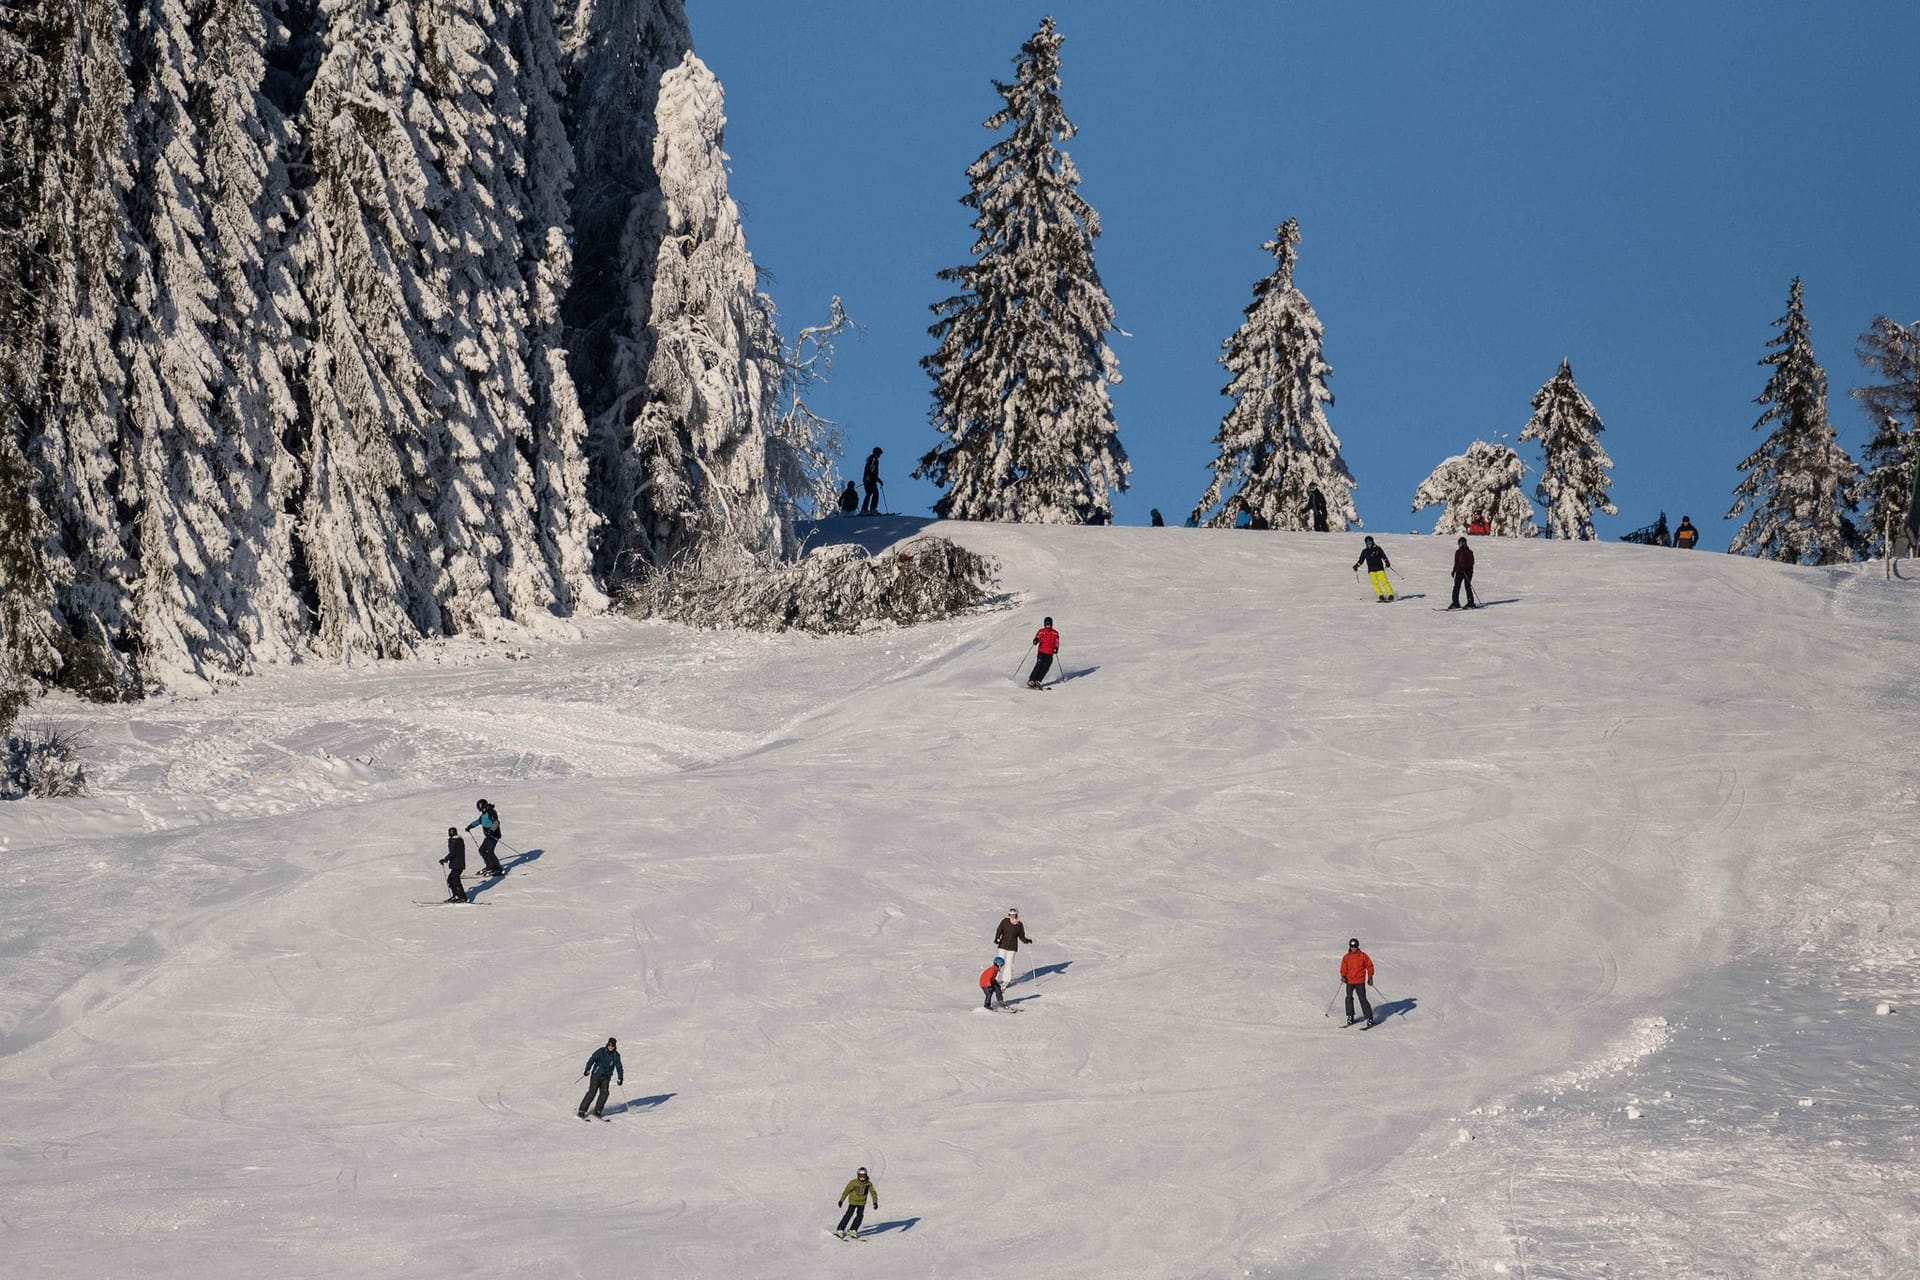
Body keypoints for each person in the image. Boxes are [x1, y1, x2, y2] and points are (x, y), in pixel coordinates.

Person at [578, 1037, 623, 1119]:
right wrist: (587, 1069)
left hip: (606, 1078)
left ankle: (597, 1111)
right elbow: (592, 1059)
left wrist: (620, 1078)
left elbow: (619, 1067)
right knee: (592, 1092)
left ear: (615, 1046)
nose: (610, 1047)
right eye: (609, 1045)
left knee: (605, 1093)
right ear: (607, 1044)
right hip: (596, 1075)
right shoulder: (601, 1051)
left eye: (612, 1046)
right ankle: (582, 1110)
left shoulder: (616, 1055)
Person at [835, 1167, 879, 1240]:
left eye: (863, 1176)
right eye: (860, 1176)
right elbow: (846, 1191)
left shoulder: (868, 1184)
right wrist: (841, 1200)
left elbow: (873, 1193)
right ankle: (840, 1229)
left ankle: (853, 1230)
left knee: (860, 1216)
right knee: (849, 1214)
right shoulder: (853, 1182)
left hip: (862, 1203)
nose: (862, 1178)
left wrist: (875, 1202)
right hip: (853, 1201)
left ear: (866, 1176)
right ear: (858, 1175)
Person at [1341, 938, 1375, 1028]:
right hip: (1349, 981)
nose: (1353, 948)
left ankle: (1370, 1018)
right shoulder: (1346, 957)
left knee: (1362, 998)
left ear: (1357, 946)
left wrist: (1370, 977)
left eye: (1355, 946)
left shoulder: (1363, 956)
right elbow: (1343, 968)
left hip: (1359, 981)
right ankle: (1350, 1016)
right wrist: (1343, 976)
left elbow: (1370, 966)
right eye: (1352, 946)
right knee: (1348, 998)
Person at [465, 799, 505, 876]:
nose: (482, 810)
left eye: (483, 808)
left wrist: (491, 830)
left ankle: (497, 868)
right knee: (482, 850)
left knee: (490, 852)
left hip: (494, 836)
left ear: (486, 806)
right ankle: (490, 866)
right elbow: (478, 821)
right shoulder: (483, 815)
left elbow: (496, 822)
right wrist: (470, 826)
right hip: (488, 836)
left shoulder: (491, 812)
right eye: (481, 810)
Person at [1352, 536, 1394, 602]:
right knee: (1375, 583)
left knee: (1384, 582)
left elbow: (1383, 556)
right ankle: (1381, 596)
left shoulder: (1378, 548)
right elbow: (1361, 560)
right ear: (1365, 543)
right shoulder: (1365, 551)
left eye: (1370, 542)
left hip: (1380, 569)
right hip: (1371, 571)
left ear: (1373, 542)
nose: (1369, 544)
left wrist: (1387, 562)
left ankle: (1390, 595)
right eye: (1367, 542)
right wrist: (1356, 566)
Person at [994, 908, 1032, 973]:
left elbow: (1021, 936)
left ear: (1016, 915)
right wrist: (997, 938)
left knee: (1009, 963)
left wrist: (1026, 940)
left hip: (1012, 946)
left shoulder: (1019, 924)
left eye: (1014, 915)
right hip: (1003, 944)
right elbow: (999, 930)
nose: (1012, 916)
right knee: (999, 962)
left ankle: (1006, 980)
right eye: (1011, 915)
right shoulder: (1005, 921)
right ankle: (995, 978)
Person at [1028, 616, 1060, 689]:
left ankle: (1038, 680)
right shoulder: (1041, 631)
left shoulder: (1055, 633)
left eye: (1049, 624)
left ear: (1051, 624)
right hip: (1042, 652)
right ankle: (1031, 680)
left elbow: (1057, 642)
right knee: (1039, 665)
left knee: (1045, 668)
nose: (1048, 625)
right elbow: (1038, 637)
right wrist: (1036, 640)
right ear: (1044, 624)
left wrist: (1056, 648)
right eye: (1047, 624)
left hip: (1050, 653)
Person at [439, 827, 469, 903]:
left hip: (457, 864)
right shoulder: (460, 840)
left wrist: (445, 859)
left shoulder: (453, 841)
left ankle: (462, 897)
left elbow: (452, 853)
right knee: (451, 879)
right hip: (460, 864)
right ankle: (456, 896)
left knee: (455, 880)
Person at [1448, 536, 1478, 610]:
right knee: (1456, 586)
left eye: (1461, 543)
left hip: (1467, 571)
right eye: (1459, 543)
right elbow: (1456, 563)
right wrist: (1454, 570)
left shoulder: (1469, 552)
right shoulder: (1457, 552)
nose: (1460, 545)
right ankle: (1455, 603)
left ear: (1465, 543)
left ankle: (1471, 602)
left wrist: (1465, 567)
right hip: (1459, 571)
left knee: (1467, 586)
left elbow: (1471, 562)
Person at [860, 447, 883, 515]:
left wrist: (878, 480)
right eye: (879, 453)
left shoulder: (872, 459)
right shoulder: (873, 459)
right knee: (875, 493)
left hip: (869, 479)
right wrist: (869, 478)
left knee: (869, 493)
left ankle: (864, 509)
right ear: (876, 453)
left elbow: (871, 471)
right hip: (870, 479)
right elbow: (869, 469)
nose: (880, 455)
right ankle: (872, 509)